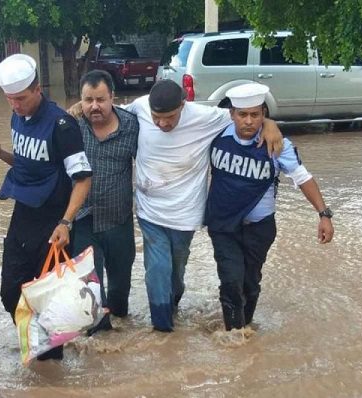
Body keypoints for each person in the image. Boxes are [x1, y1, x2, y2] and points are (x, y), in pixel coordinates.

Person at [120, 79, 283, 332]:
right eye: (156, 118)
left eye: (170, 117)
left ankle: (172, 304)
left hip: (185, 214)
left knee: (176, 270)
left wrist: (271, 123)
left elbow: (243, 116)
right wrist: (78, 109)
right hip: (149, 209)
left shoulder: (205, 117)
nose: (163, 124)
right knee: (157, 268)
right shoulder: (140, 107)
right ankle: (162, 329)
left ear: (183, 106)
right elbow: (111, 113)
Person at [0, 54, 92, 360]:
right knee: (9, 292)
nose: (15, 105)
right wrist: (0, 152)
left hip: (54, 222)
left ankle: (50, 366)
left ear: (38, 89)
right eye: (9, 99)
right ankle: (38, 342)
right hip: (23, 216)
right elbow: (28, 163)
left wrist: (66, 222)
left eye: (21, 98)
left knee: (49, 299)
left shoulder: (62, 125)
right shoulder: (18, 117)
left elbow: (82, 179)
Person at [204, 83, 335, 331]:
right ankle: (235, 338)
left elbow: (303, 177)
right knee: (231, 281)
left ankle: (246, 327)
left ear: (263, 114)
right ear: (231, 114)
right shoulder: (216, 132)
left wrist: (323, 214)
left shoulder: (277, 144)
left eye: (255, 115)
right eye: (242, 114)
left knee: (250, 283)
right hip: (222, 225)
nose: (249, 121)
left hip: (259, 228)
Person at [71, 70, 138, 333]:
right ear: (80, 101)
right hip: (83, 219)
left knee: (120, 292)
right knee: (90, 289)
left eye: (100, 99)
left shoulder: (133, 125)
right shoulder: (72, 126)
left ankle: (121, 336)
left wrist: (269, 124)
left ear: (113, 98)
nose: (94, 106)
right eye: (88, 100)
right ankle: (99, 346)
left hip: (119, 220)